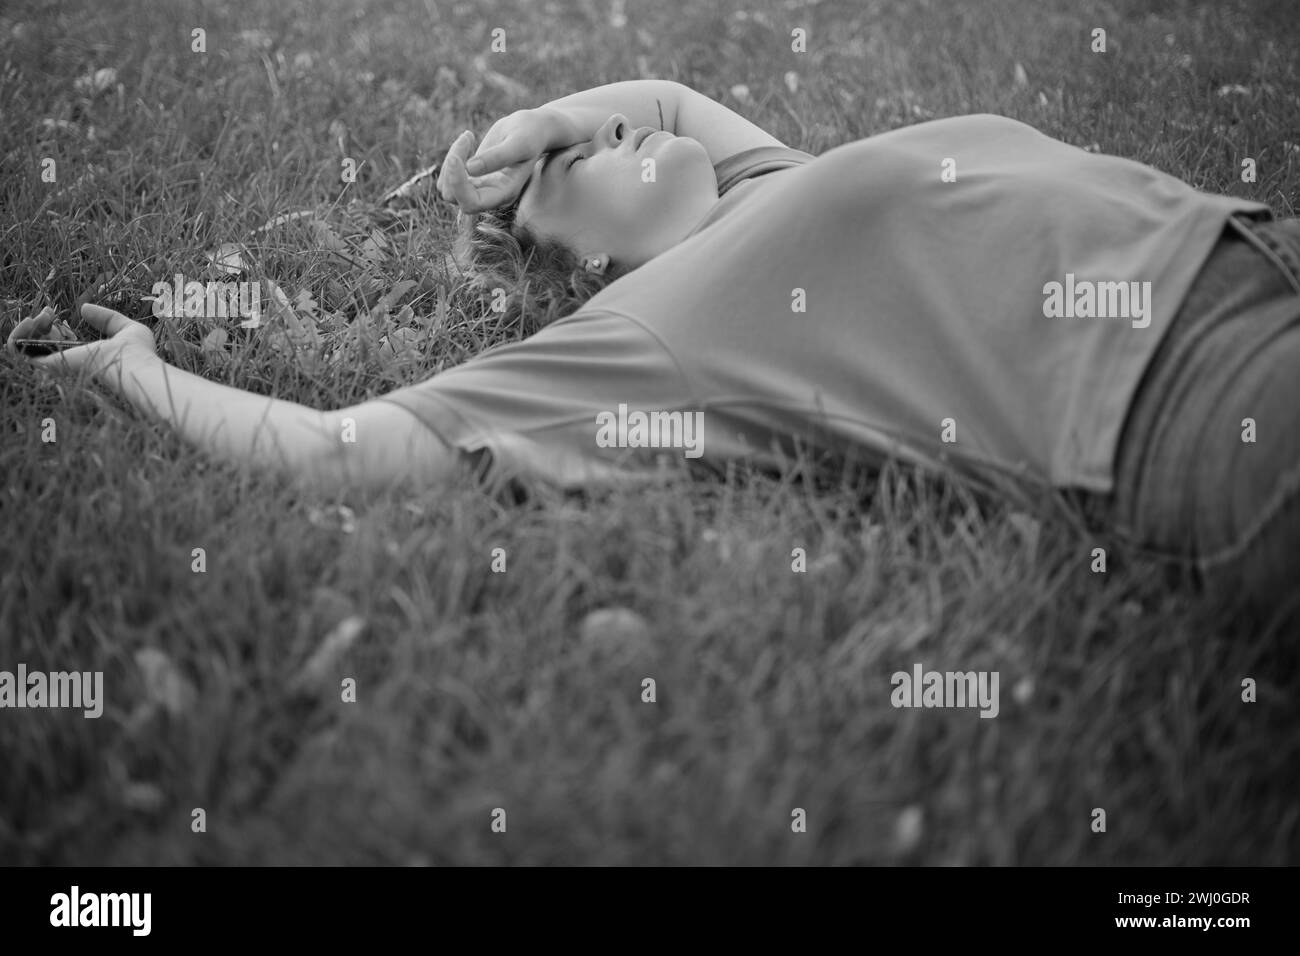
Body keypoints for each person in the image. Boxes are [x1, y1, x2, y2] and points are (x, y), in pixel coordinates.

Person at [8, 80, 1298, 623]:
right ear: (579, 274)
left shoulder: (769, 185)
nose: (599, 138)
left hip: (1253, 246)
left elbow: (669, 97)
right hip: (1190, 392)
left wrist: (539, 122)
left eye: (588, 136)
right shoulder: (664, 323)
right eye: (572, 168)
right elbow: (348, 451)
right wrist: (132, 368)